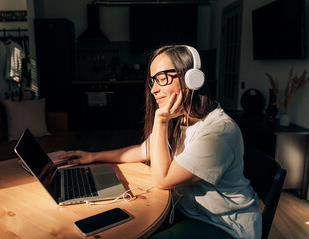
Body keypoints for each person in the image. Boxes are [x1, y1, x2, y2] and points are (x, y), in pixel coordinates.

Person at [59, 45, 262, 239]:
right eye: (152, 81)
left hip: (223, 226)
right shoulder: (180, 118)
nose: (154, 89)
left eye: (161, 78)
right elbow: (143, 149)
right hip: (190, 213)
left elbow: (162, 179)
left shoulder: (219, 132)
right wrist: (93, 156)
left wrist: (161, 120)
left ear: (192, 78)